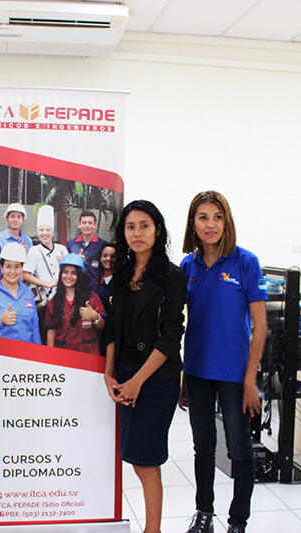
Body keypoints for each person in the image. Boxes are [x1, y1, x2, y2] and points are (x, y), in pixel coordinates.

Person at [179, 191, 267, 533]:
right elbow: (188, 325)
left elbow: (260, 327)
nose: (210, 224)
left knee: (239, 449)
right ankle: (204, 515)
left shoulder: (246, 262)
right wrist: (185, 377)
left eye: (217, 216)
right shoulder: (188, 267)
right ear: (194, 223)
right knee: (203, 447)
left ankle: (238, 522)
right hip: (198, 372)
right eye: (203, 217)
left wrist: (250, 381)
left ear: (226, 221)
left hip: (235, 376)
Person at [103, 200, 186, 533]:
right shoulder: (121, 275)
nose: (137, 233)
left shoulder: (172, 276)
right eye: (130, 226)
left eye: (144, 226)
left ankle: (153, 530)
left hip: (156, 378)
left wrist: (137, 381)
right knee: (138, 459)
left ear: (158, 230)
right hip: (124, 374)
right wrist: (109, 374)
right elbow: (112, 327)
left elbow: (170, 338)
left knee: (146, 461)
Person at [44, 254, 105, 354]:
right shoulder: (53, 302)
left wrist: (95, 316)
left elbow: (101, 326)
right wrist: (50, 355)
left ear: (79, 276)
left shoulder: (92, 298)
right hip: (63, 355)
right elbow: (51, 330)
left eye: (73, 273)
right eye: (65, 272)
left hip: (88, 355)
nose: (68, 276)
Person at [23, 205, 68, 340]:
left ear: (53, 233)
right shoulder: (34, 251)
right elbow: (26, 275)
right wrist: (47, 284)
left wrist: (64, 261)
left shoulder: (62, 249)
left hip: (64, 299)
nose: (45, 233)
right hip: (46, 301)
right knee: (45, 333)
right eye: (41, 230)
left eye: (48, 230)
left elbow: (72, 271)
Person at [0, 202, 32, 275]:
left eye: (19, 217)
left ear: (23, 221)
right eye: (12, 216)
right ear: (6, 219)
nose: (15, 220)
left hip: (22, 282)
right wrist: (12, 251)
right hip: (3, 281)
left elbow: (30, 263)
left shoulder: (28, 241)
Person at [67, 210, 107, 288]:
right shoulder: (71, 245)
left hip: (96, 289)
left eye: (90, 223)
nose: (87, 225)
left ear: (95, 225)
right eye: (84, 223)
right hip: (75, 289)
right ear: (79, 225)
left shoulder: (103, 245)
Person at [96, 242, 116, 354]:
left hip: (117, 331)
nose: (108, 259)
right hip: (98, 332)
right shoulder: (95, 281)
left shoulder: (123, 281)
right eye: (105, 255)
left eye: (113, 256)